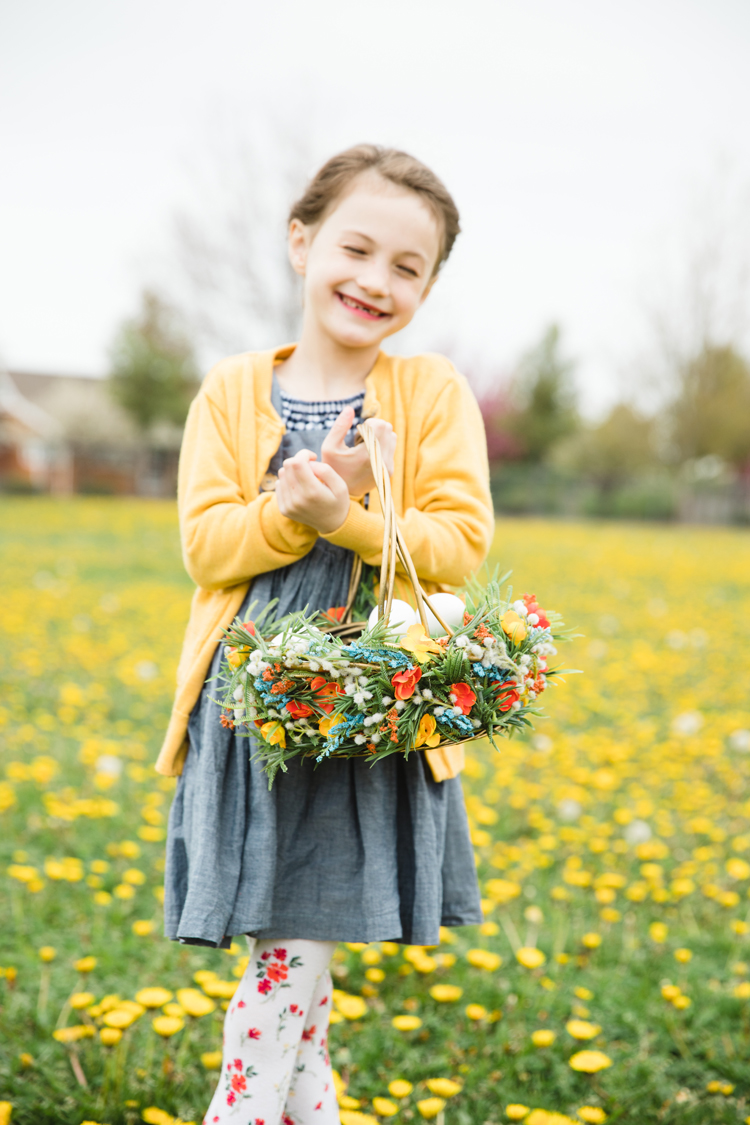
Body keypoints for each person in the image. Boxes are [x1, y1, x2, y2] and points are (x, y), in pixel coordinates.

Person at [158, 144, 494, 1124]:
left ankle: (241, 1109)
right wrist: (290, 512)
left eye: (408, 267)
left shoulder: (430, 395)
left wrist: (345, 517)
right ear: (301, 242)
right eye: (357, 247)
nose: (376, 280)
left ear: (428, 287)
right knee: (290, 949)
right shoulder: (230, 391)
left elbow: (458, 546)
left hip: (371, 714)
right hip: (251, 711)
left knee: (294, 945)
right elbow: (208, 548)